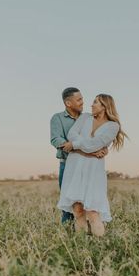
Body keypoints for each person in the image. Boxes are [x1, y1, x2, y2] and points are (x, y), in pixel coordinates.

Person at [57, 94, 126, 236]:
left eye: (95, 102)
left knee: (93, 211)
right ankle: (81, 247)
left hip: (93, 169)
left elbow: (95, 144)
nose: (91, 105)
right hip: (74, 166)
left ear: (104, 106)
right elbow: (72, 134)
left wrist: (75, 145)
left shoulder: (113, 126)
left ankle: (100, 247)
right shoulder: (84, 118)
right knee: (77, 209)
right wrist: (88, 150)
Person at [50, 87, 108, 224]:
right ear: (68, 103)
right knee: (69, 203)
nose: (83, 102)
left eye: (82, 98)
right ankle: (68, 236)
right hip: (68, 164)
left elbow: (98, 136)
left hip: (89, 165)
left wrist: (104, 148)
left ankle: (91, 232)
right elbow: (56, 140)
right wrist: (85, 150)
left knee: (90, 202)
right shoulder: (57, 118)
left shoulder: (89, 117)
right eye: (79, 100)